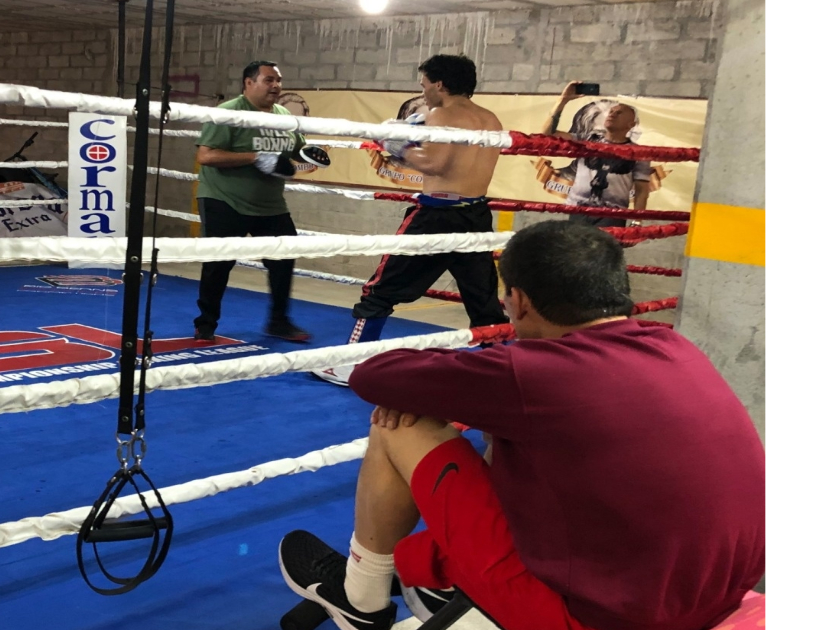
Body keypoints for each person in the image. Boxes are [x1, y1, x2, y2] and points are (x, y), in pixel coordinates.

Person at [280, 220, 765, 630]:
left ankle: (359, 601)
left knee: (399, 424)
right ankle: (440, 576)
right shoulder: (674, 346)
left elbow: (374, 376)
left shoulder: (534, 375)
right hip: (715, 591)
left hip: (605, 617)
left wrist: (476, 381)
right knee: (516, 434)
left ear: (519, 301)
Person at [313, 54, 508, 387]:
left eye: (424, 84)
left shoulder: (442, 113)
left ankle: (349, 363)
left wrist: (395, 145)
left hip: (435, 214)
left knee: (381, 289)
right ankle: (506, 366)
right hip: (475, 214)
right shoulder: (489, 118)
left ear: (439, 84)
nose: (423, 91)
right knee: (483, 298)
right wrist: (412, 129)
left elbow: (435, 164)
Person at [192, 60, 328, 344]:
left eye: (278, 80)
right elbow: (206, 156)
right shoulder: (228, 113)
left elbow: (297, 149)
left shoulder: (283, 116)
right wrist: (254, 157)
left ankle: (278, 322)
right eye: (269, 80)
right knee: (218, 264)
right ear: (249, 83)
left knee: (283, 259)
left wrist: (309, 153)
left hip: (270, 205)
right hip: (224, 199)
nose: (276, 86)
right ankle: (206, 324)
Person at [543, 81, 651, 228]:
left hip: (613, 214)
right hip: (578, 209)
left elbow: (641, 190)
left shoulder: (638, 153)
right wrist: (563, 100)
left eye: (619, 113)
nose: (612, 114)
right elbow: (546, 136)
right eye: (611, 111)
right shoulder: (587, 139)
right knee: (574, 250)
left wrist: (637, 221)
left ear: (631, 124)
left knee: (604, 250)